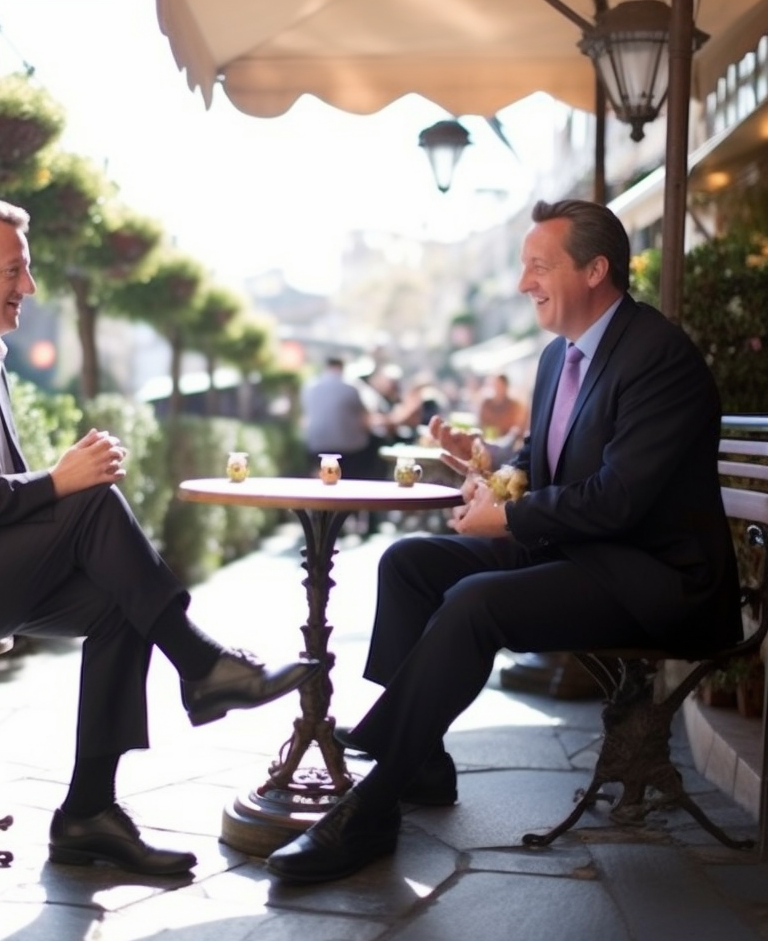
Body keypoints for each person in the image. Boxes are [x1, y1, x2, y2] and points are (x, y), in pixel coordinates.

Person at [0, 199, 317, 878]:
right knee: (87, 501)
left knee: (123, 597)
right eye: (14, 270)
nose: (28, 287)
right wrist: (60, 483)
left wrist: (59, 486)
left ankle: (89, 811)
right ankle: (202, 666)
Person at [267, 198, 741, 883]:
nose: (524, 282)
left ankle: (372, 804)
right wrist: (486, 460)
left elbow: (619, 498)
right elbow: (545, 468)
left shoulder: (659, 357)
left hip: (655, 578)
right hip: (583, 554)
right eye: (524, 267)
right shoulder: (557, 360)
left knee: (475, 602)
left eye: (539, 265)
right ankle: (422, 760)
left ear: (596, 270)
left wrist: (510, 520)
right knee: (409, 562)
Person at [299, 356, 376, 479]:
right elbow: (366, 416)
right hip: (350, 447)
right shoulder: (353, 387)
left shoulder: (309, 387)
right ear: (342, 367)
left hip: (316, 444)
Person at [476, 372, 529, 446]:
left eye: (500, 386)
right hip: (488, 443)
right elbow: (480, 424)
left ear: (506, 386)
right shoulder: (486, 404)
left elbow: (518, 428)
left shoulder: (515, 405)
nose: (497, 389)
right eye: (495, 385)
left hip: (509, 446)